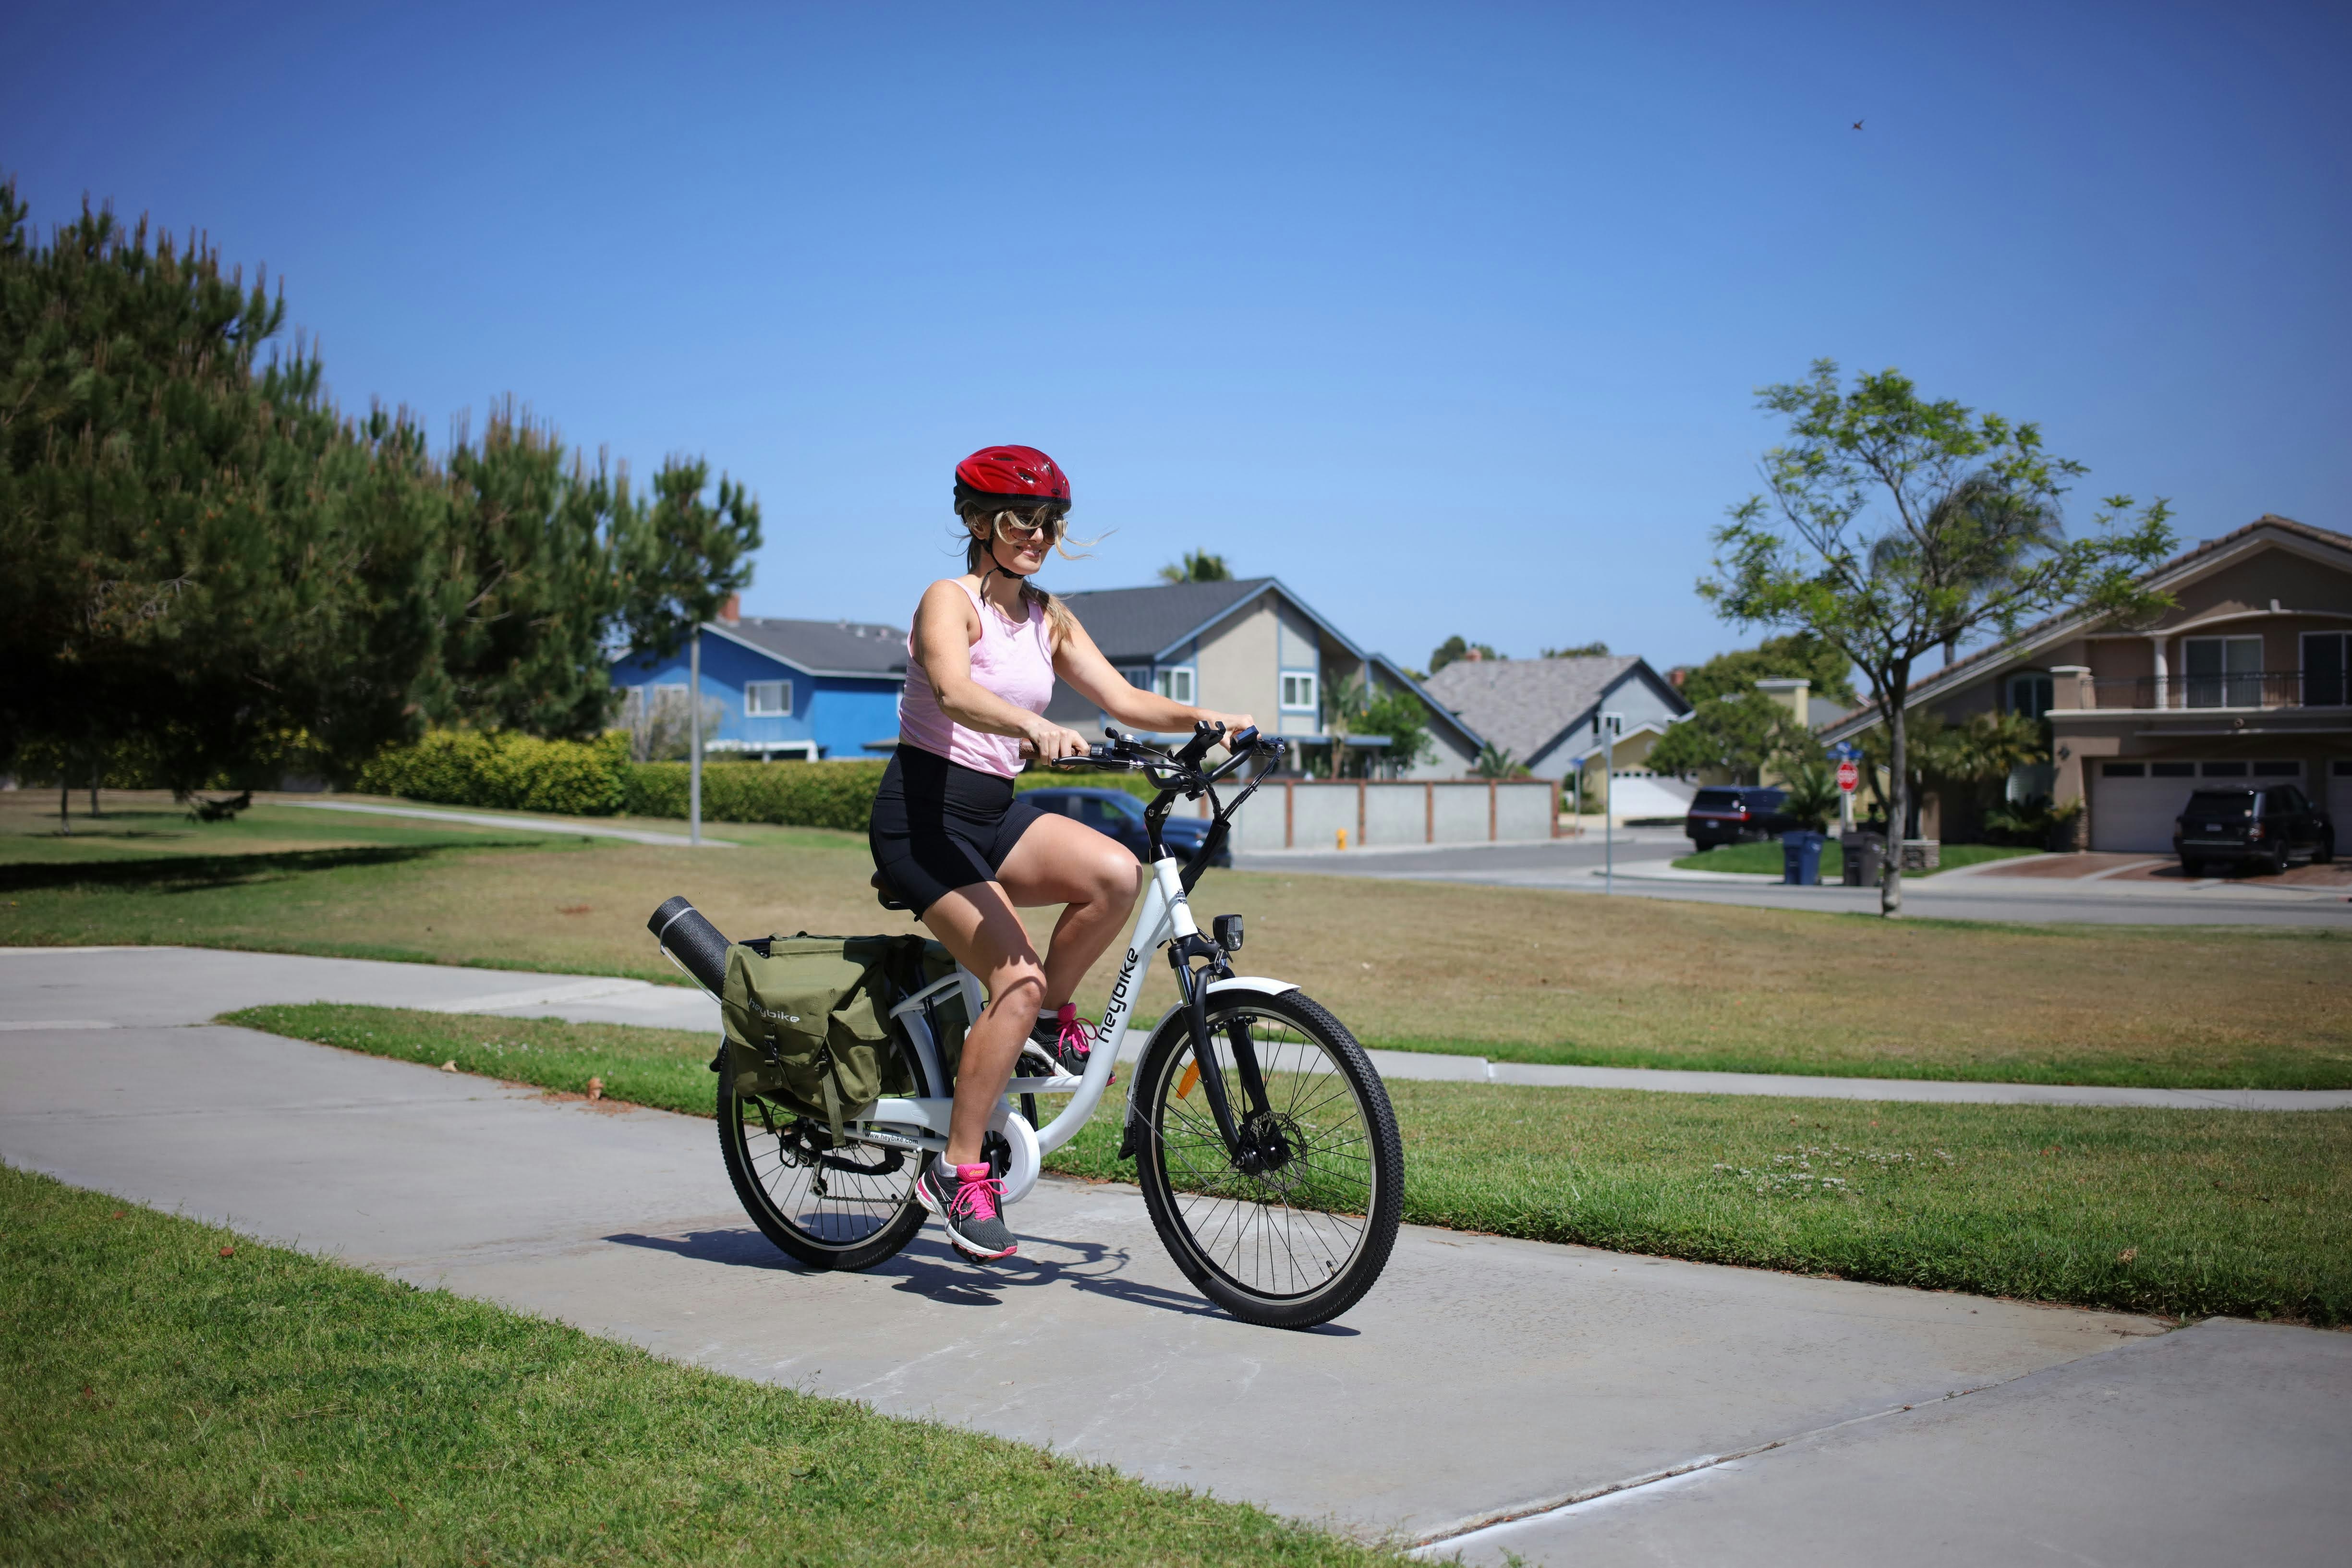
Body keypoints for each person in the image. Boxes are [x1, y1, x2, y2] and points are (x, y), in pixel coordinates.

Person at [870, 445, 1253, 1263]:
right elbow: (950, 688)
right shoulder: (950, 600)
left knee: (1115, 874)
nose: (1037, 535)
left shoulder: (1049, 615)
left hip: (990, 811)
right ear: (977, 522)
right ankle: (959, 1169)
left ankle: (1046, 1021)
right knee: (1014, 976)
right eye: (1019, 520)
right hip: (922, 820)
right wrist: (1030, 725)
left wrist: (1204, 720)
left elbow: (1121, 698)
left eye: (1050, 522)